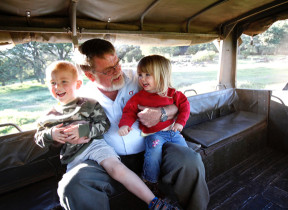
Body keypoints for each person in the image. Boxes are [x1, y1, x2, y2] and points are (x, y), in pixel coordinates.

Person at [57, 38, 210, 210]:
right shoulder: (83, 98)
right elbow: (60, 123)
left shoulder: (139, 78)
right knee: (73, 184)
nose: (117, 71)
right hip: (108, 159)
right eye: (109, 70)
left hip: (153, 145)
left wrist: (162, 113)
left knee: (190, 159)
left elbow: (179, 102)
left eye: (117, 64)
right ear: (90, 75)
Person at [34, 61, 180, 209]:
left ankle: (155, 202)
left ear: (77, 84)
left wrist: (85, 130)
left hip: (95, 146)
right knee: (72, 186)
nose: (57, 87)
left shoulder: (88, 104)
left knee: (117, 168)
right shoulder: (48, 116)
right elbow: (38, 137)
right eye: (52, 83)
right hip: (73, 155)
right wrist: (50, 134)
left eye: (63, 82)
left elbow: (104, 125)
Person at [118, 55, 190, 184]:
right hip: (154, 134)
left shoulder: (172, 94)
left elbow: (185, 106)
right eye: (140, 75)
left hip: (173, 132)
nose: (142, 79)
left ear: (161, 76)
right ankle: (150, 180)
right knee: (153, 153)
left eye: (147, 75)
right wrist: (125, 125)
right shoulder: (139, 97)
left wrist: (180, 122)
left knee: (186, 153)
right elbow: (129, 111)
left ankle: (183, 178)